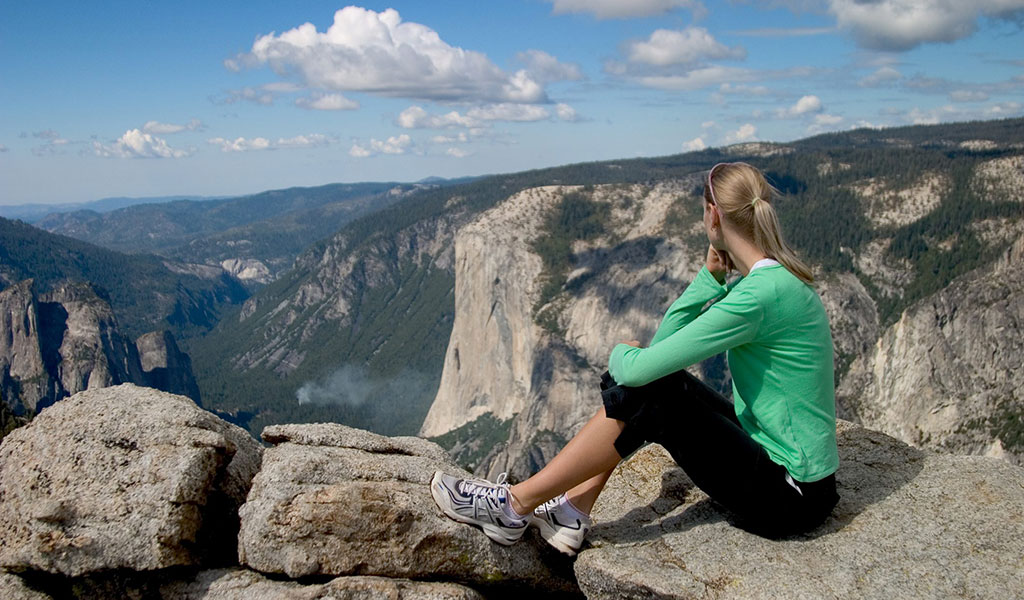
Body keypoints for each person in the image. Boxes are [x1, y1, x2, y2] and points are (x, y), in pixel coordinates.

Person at [430, 162, 840, 555]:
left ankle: (514, 505)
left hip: (790, 496)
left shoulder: (759, 297)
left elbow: (642, 367)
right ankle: (570, 511)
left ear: (713, 216)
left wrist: (620, 351)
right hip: (792, 473)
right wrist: (707, 280)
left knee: (645, 386)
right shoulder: (774, 282)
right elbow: (661, 356)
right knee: (654, 385)